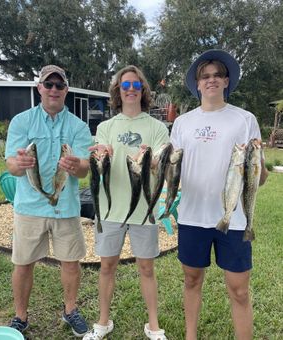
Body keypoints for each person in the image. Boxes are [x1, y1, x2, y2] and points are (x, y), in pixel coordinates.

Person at [170, 49, 268, 340]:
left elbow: (259, 179)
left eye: (217, 75)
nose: (211, 80)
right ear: (197, 84)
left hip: (235, 220)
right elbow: (171, 168)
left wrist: (259, 163)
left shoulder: (245, 119)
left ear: (226, 82)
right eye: (205, 76)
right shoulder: (182, 123)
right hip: (191, 215)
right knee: (191, 280)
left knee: (239, 290)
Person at [5, 65, 92, 337]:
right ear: (39, 88)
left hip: (65, 206)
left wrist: (76, 165)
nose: (54, 89)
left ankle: (70, 310)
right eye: (49, 84)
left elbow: (84, 170)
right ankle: (20, 316)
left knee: (70, 262)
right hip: (29, 207)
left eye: (59, 85)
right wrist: (19, 164)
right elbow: (12, 165)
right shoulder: (21, 122)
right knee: (23, 263)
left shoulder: (78, 126)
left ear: (66, 89)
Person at [83, 65, 169, 340]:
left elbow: (161, 164)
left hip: (145, 209)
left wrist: (155, 162)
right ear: (117, 92)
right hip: (110, 208)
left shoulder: (157, 127)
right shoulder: (106, 127)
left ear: (143, 90)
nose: (130, 90)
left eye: (135, 85)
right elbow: (100, 162)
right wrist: (101, 155)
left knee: (147, 267)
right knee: (107, 266)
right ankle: (103, 322)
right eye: (125, 86)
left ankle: (153, 326)